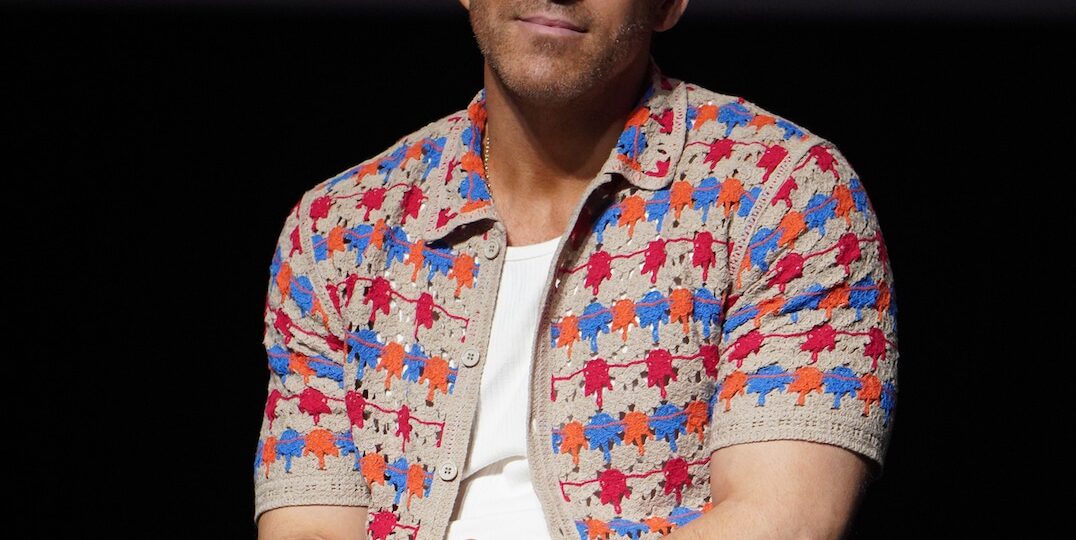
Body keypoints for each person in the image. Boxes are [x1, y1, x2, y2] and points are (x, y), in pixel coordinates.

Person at [253, 1, 899, 539]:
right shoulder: (339, 229)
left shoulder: (782, 193)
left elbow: (780, 519)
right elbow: (310, 525)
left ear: (669, 4)